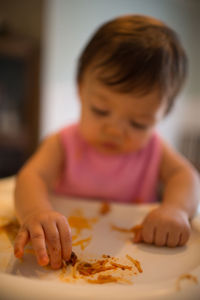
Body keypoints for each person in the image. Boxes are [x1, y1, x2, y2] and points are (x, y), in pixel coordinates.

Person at [14, 15, 200, 270]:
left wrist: (176, 209)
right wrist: (35, 212)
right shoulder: (63, 142)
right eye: (101, 110)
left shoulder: (154, 149)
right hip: (66, 251)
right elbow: (29, 177)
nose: (114, 130)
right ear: (80, 89)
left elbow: (186, 176)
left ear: (163, 114)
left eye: (138, 123)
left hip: (134, 263)